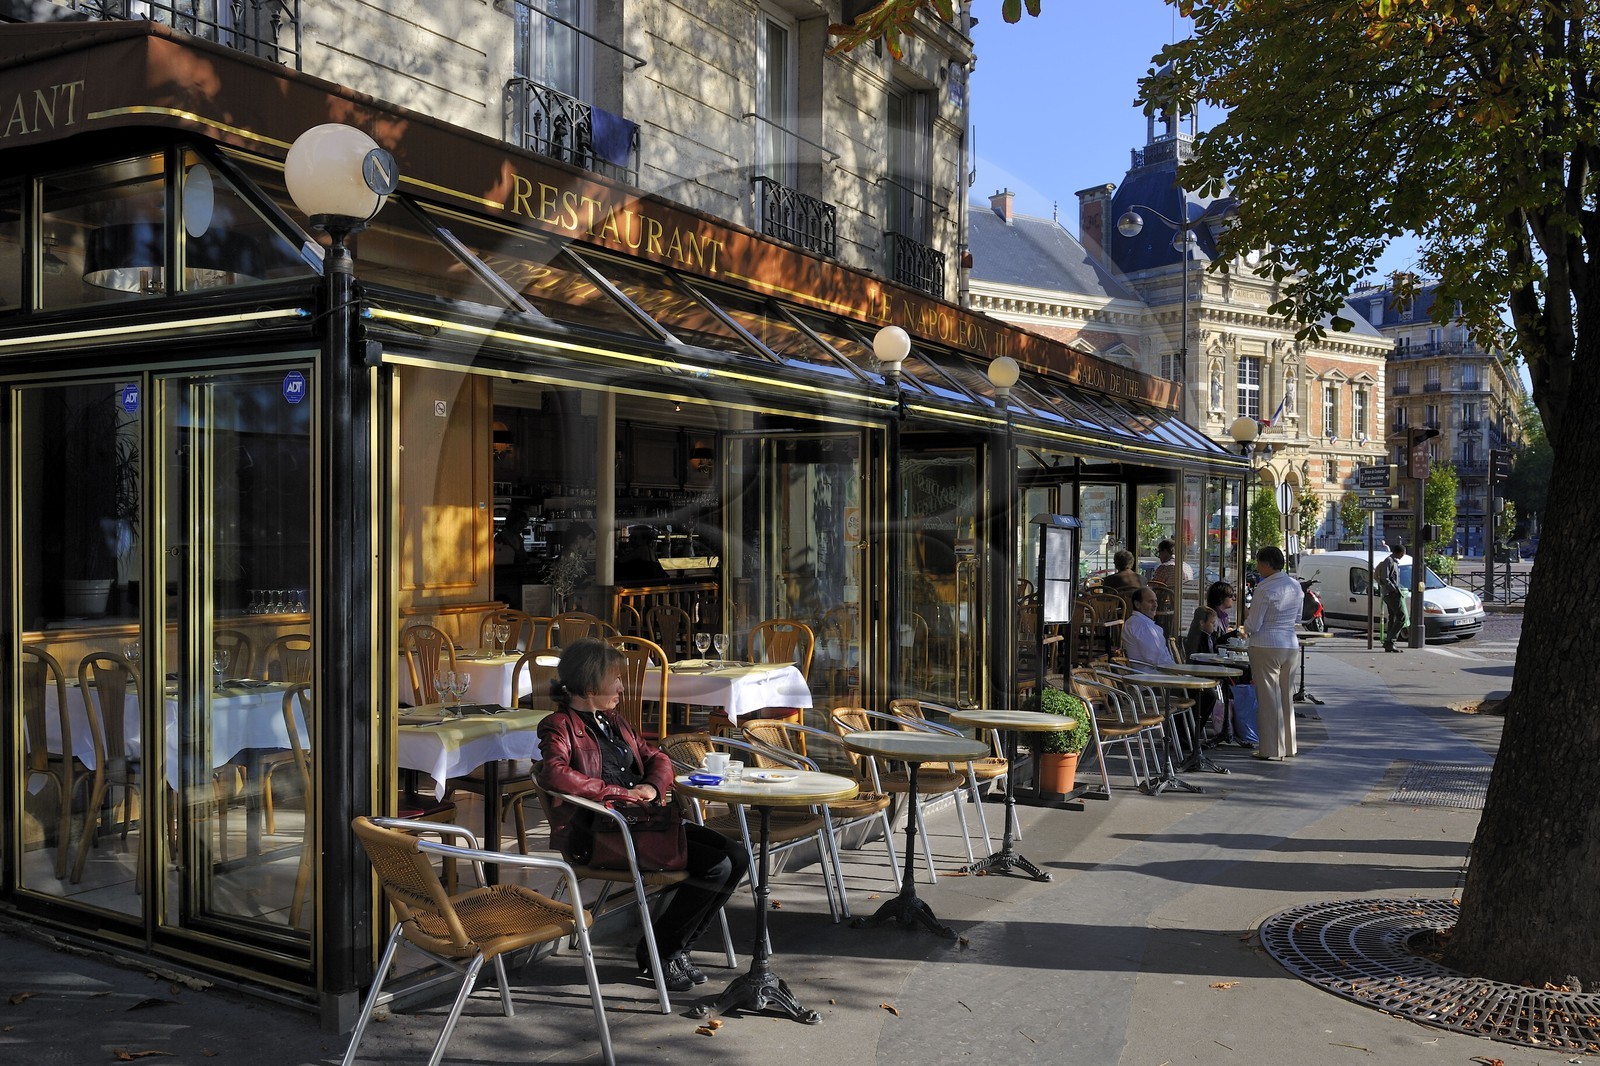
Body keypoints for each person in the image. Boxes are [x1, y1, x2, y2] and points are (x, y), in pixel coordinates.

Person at [536, 639, 748, 992]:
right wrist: (621, 793)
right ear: (590, 686)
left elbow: (658, 757)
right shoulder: (558, 725)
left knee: (737, 856)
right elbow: (553, 773)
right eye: (614, 679)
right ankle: (661, 951)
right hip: (602, 833)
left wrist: (651, 786)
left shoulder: (614, 721)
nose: (622, 686)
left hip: (645, 823)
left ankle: (673, 949)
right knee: (716, 866)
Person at [1245, 546, 1300, 760]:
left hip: (1266, 644)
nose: (1258, 567)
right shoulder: (1295, 586)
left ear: (1267, 564)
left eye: (1259, 563)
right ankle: (1289, 745)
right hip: (1290, 644)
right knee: (1286, 696)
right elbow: (1297, 618)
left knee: (1268, 698)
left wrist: (1245, 626)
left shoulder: (1264, 588)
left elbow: (1254, 624)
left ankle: (1270, 748)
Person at [1121, 585, 1174, 666]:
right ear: (1138, 604)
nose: (1156, 605)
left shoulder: (1137, 622)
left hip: (1154, 673)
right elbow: (1158, 659)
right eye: (1150, 601)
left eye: (1156, 601)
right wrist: (1179, 672)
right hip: (1152, 675)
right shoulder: (1141, 626)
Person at [1376, 542, 1407, 653]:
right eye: (1403, 553)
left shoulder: (1392, 561)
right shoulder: (1389, 561)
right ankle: (1390, 641)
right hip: (1391, 594)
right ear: (1400, 553)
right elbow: (1385, 578)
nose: (1403, 556)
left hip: (1390, 593)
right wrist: (1394, 589)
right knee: (1401, 617)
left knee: (1393, 617)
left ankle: (1389, 643)